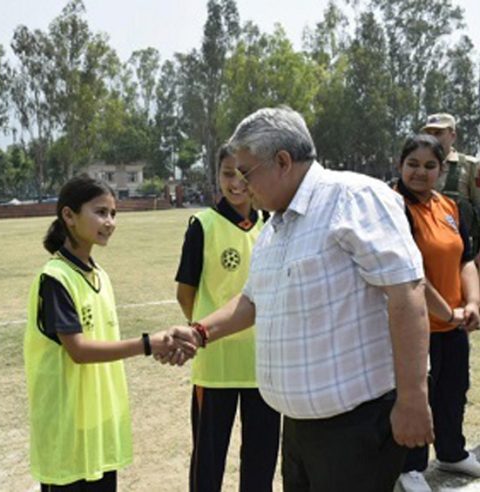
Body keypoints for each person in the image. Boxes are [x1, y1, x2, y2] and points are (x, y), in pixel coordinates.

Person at [165, 107, 433, 492]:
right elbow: (253, 300)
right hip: (298, 428)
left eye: (246, 171)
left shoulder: (353, 199)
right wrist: (200, 332)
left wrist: (412, 399)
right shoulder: (275, 226)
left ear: (283, 162)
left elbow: (406, 294)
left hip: (355, 429)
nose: (241, 184)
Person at [23, 175, 189, 491]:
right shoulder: (56, 278)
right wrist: (147, 344)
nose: (109, 222)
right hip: (66, 430)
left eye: (113, 214)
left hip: (97, 426)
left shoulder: (99, 276)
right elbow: (79, 350)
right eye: (100, 212)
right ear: (68, 216)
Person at [175, 144, 279, 492]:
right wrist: (213, 330)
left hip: (263, 364)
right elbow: (185, 293)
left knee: (261, 455)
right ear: (217, 176)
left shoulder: (271, 224)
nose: (236, 182)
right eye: (227, 173)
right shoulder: (203, 225)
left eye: (244, 173)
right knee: (208, 457)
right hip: (216, 365)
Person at [394, 134, 480, 492]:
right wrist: (447, 312)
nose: (420, 172)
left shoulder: (450, 207)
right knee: (419, 396)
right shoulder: (395, 207)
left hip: (453, 323)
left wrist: (472, 303)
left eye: (430, 166)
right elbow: (408, 272)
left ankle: (451, 451)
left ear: (443, 170)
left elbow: (465, 259)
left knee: (453, 389)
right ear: (400, 165)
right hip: (415, 326)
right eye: (412, 164)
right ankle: (409, 467)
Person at [421, 113, 480, 255]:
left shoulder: (471, 166)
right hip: (424, 249)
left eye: (438, 133)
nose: (433, 138)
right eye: (429, 133)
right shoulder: (417, 167)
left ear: (453, 136)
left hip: (463, 252)